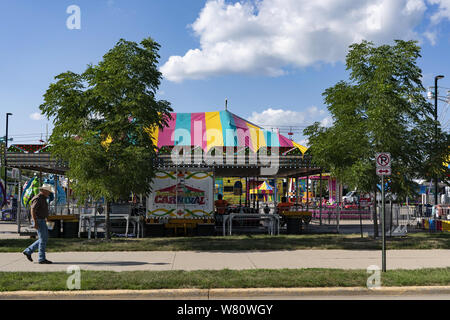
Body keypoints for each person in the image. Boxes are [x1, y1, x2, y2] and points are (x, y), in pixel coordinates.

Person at [22, 184, 54, 264]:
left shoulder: (43, 198)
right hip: (38, 220)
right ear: (43, 191)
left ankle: (28, 251)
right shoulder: (38, 198)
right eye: (48, 191)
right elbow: (32, 210)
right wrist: (35, 222)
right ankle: (41, 258)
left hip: (42, 220)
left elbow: (43, 210)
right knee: (43, 239)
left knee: (44, 238)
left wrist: (47, 219)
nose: (49, 193)